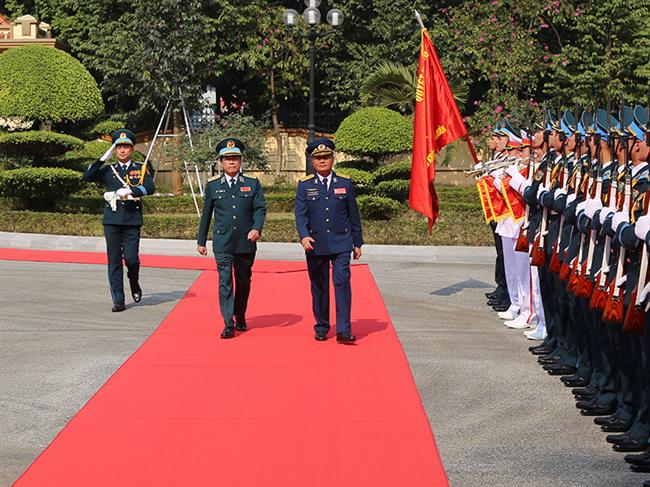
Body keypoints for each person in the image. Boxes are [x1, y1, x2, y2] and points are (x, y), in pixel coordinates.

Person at [294, 138, 363, 343]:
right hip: (315, 243)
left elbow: (353, 215)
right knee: (319, 286)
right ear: (312, 162)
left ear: (333, 159)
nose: (322, 161)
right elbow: (300, 214)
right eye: (318, 158)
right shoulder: (305, 185)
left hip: (341, 241)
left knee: (342, 282)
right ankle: (322, 325)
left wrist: (357, 242)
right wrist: (304, 235)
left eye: (326, 157)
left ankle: (343, 329)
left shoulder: (345, 183)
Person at [196, 137, 266, 339]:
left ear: (241, 160)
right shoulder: (213, 186)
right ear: (221, 162)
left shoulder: (252, 184)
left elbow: (260, 209)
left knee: (243, 281)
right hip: (223, 242)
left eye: (235, 158)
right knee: (224, 281)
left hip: (246, 242)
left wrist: (256, 228)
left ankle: (240, 314)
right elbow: (206, 214)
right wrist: (201, 241)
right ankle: (228, 322)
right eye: (227, 159)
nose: (232, 162)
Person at [82, 129, 155, 312]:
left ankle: (134, 281)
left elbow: (150, 187)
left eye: (126, 147)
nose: (122, 150)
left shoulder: (140, 167)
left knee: (131, 259)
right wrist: (102, 158)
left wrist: (132, 191)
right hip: (112, 220)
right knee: (114, 260)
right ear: (115, 150)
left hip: (132, 219)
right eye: (118, 147)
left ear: (132, 149)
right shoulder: (108, 169)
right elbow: (87, 176)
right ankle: (119, 299)